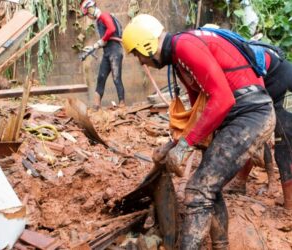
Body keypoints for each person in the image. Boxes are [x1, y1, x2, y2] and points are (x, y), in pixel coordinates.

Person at [122, 14, 275, 249]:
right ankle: (220, 245)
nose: (141, 61)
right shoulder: (179, 58)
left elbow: (222, 99)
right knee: (209, 186)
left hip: (249, 116)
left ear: (147, 45)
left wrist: (185, 145)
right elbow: (201, 109)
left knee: (197, 191)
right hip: (238, 116)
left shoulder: (185, 47)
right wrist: (176, 144)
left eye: (137, 54)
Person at [226, 47, 292, 209]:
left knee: (284, 144)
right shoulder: (229, 52)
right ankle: (240, 182)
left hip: (283, 87)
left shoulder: (231, 57)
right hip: (268, 87)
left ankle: (290, 205)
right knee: (250, 134)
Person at [80, 0, 125, 110]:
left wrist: (99, 42)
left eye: (87, 14)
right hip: (107, 52)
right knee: (101, 77)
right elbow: (105, 39)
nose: (88, 17)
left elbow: (112, 29)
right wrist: (93, 46)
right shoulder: (99, 21)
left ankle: (122, 105)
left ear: (90, 9)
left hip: (115, 51)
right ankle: (96, 105)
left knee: (116, 78)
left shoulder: (104, 16)